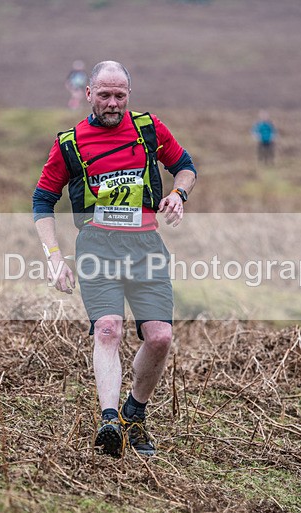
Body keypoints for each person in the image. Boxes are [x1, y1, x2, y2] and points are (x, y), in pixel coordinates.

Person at [33, 60, 197, 457]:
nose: (112, 103)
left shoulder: (149, 129)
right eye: (104, 95)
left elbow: (185, 167)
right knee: (108, 329)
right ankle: (109, 419)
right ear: (88, 94)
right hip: (96, 247)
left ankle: (133, 414)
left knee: (160, 338)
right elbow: (42, 200)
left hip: (146, 248)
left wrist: (178, 194)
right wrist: (54, 257)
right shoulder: (69, 144)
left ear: (129, 95)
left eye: (119, 96)